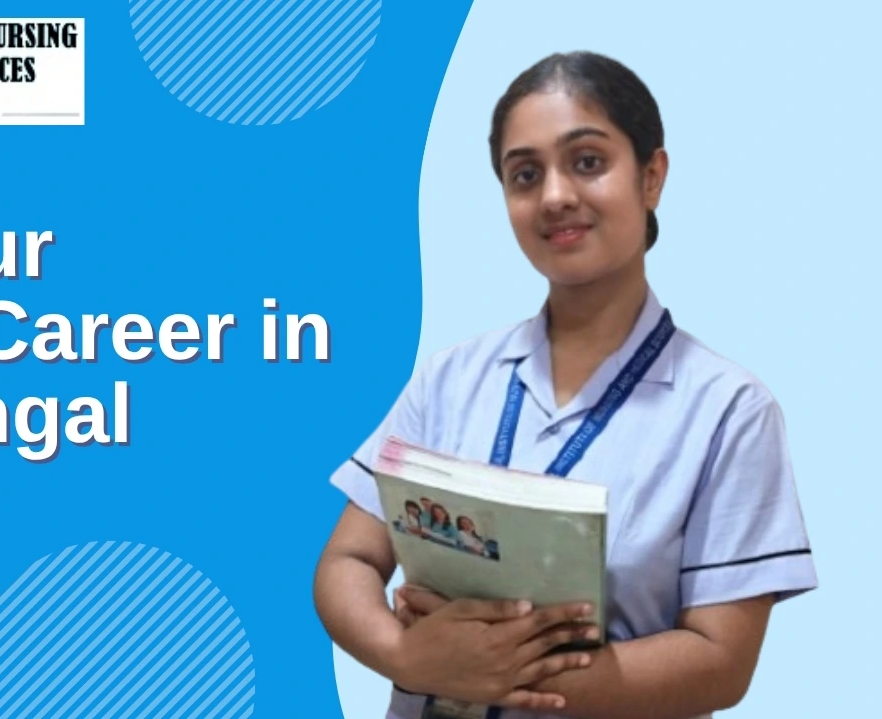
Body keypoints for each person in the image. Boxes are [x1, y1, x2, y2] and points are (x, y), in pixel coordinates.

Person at [311, 50, 817, 719]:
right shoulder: (448, 380)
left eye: (587, 161)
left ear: (651, 177)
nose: (554, 196)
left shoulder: (730, 411)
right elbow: (347, 561)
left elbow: (721, 662)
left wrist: (489, 668)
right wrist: (407, 656)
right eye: (525, 175)